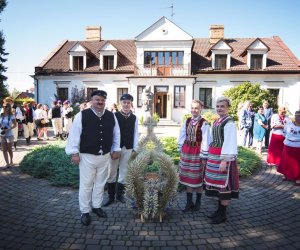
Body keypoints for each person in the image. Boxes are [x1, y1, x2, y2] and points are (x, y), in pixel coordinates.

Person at [65, 90, 121, 226]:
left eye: (102, 100)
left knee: (101, 183)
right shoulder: (81, 115)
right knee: (86, 185)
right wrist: (74, 153)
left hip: (105, 156)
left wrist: (116, 149)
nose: (100, 102)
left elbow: (116, 134)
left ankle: (97, 206)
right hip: (87, 156)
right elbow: (74, 135)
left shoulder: (111, 116)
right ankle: (85, 211)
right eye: (97, 99)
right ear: (92, 101)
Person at [204, 96, 239, 224]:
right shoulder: (217, 121)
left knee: (224, 186)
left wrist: (224, 160)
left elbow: (230, 142)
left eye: (222, 106)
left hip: (223, 157)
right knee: (217, 186)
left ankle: (222, 214)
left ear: (228, 108)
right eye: (218, 106)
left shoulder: (229, 123)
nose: (219, 109)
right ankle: (219, 211)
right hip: (214, 156)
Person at [103, 93, 138, 206]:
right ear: (120, 103)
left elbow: (136, 133)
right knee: (111, 172)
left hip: (128, 147)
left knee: (124, 172)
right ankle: (111, 197)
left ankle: (120, 195)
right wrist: (111, 148)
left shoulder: (134, 117)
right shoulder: (114, 115)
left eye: (128, 102)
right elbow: (110, 132)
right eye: (124, 102)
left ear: (131, 104)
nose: (126, 104)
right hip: (115, 149)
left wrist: (135, 147)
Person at [178, 100, 210, 212]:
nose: (194, 110)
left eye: (196, 108)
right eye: (192, 108)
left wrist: (204, 156)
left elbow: (206, 140)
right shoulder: (187, 121)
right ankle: (189, 202)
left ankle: (198, 202)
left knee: (198, 176)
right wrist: (180, 149)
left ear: (201, 109)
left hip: (198, 152)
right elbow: (182, 135)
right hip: (187, 151)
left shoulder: (204, 123)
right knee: (187, 176)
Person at [277, 110, 300, 185]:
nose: (298, 118)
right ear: (295, 116)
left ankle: (298, 178)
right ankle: (285, 174)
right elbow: (284, 133)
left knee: (297, 163)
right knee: (286, 161)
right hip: (288, 145)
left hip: (298, 147)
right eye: (297, 116)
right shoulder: (289, 124)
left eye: (299, 116)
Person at [0, 103, 17, 168]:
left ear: (9, 107)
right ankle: (7, 163)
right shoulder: (1, 115)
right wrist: (1, 127)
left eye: (5, 107)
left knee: (9, 149)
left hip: (9, 134)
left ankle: (11, 161)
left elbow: (15, 125)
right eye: (3, 106)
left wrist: (9, 129)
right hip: (2, 134)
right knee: (4, 149)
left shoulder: (11, 115)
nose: (4, 108)